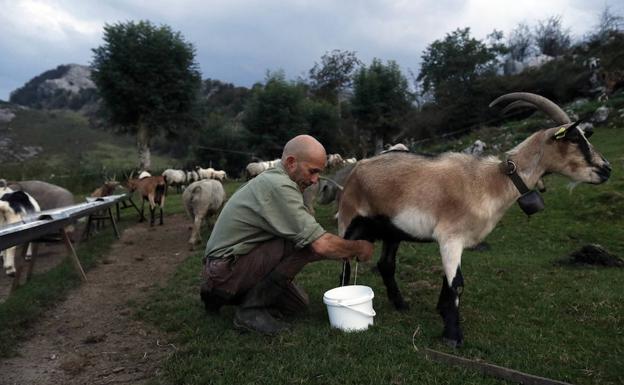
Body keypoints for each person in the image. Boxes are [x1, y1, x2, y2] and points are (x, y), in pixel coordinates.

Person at [201, 135, 374, 335]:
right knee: (305, 244)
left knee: (297, 306)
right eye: (312, 171)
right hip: (222, 270)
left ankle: (227, 296)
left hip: (226, 266)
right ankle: (249, 311)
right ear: (291, 163)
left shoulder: (276, 180)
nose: (315, 180)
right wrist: (359, 247)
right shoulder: (277, 186)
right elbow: (321, 244)